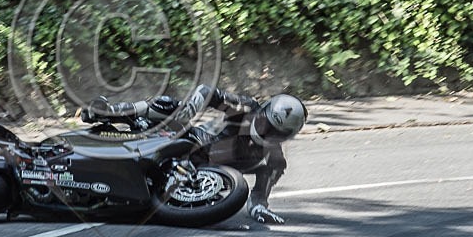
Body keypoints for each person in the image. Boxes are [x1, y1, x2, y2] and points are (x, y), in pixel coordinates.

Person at [80, 84, 308, 224]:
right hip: (192, 139)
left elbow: (259, 197)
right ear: (264, 110)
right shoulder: (246, 108)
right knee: (170, 105)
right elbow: (208, 91)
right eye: (267, 123)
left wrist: (259, 207)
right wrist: (189, 109)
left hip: (200, 177)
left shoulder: (274, 160)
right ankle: (110, 111)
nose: (267, 132)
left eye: (276, 132)